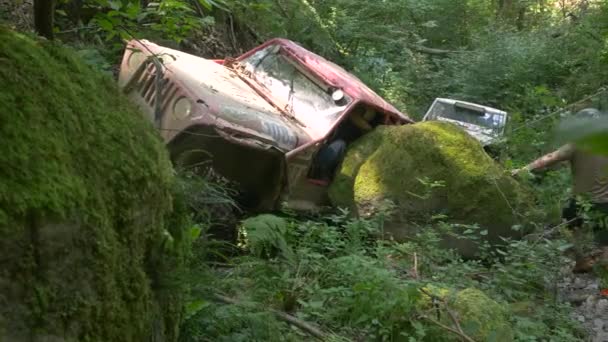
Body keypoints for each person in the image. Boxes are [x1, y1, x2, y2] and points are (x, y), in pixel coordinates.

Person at [513, 108, 608, 271]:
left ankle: (581, 261)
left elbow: (550, 158)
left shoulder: (576, 144)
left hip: (580, 200)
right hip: (605, 201)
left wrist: (522, 170)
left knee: (573, 227)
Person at [310, 107, 376, 185]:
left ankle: (319, 171)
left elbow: (365, 126)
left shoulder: (364, 129)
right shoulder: (344, 115)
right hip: (322, 141)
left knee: (340, 145)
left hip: (339, 153)